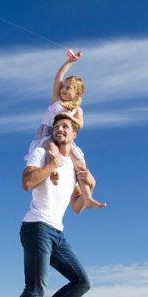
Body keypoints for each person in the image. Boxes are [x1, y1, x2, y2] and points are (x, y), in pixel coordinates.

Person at [0, 113, 97, 297]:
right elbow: (26, 182)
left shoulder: (75, 168)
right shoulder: (42, 153)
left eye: (65, 126)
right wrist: (52, 164)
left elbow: (75, 208)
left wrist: (90, 188)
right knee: (35, 288)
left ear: (74, 135)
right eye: (57, 126)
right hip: (36, 226)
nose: (59, 129)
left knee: (82, 281)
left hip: (57, 233)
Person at [25, 52, 106, 210]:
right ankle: (53, 174)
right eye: (63, 86)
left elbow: (80, 124)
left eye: (68, 88)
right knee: (51, 149)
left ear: (77, 93)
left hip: (63, 137)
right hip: (48, 134)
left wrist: (69, 118)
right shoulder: (56, 100)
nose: (63, 89)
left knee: (80, 162)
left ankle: (88, 197)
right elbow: (59, 75)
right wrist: (70, 61)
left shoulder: (77, 109)